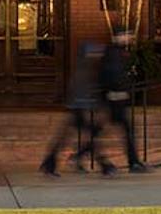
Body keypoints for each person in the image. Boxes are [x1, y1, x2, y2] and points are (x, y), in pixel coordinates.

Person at [41, 37, 111, 177]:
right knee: (89, 135)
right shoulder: (85, 70)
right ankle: (102, 164)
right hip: (80, 108)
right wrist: (94, 105)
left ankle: (53, 162)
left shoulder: (85, 68)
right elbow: (84, 90)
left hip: (79, 107)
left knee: (72, 136)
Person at [97, 28, 148, 172]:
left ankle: (133, 162)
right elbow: (112, 74)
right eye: (127, 35)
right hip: (115, 98)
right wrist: (119, 90)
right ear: (119, 36)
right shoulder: (113, 53)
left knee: (105, 131)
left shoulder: (116, 52)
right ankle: (133, 163)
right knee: (123, 131)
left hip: (114, 97)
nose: (129, 38)